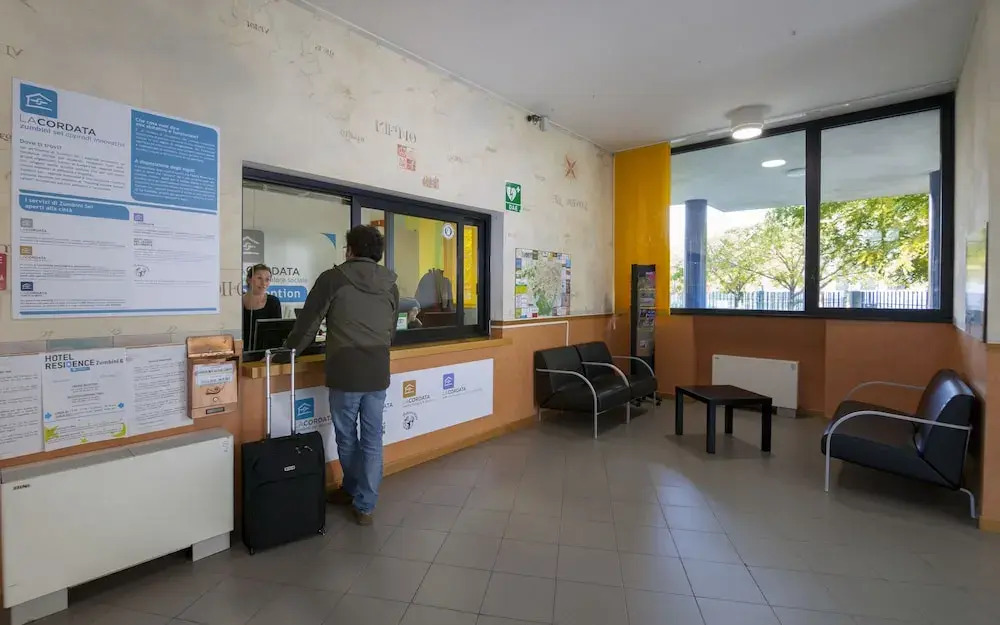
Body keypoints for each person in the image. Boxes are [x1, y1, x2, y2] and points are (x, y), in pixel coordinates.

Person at [285, 225, 399, 525]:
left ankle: (352, 490)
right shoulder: (390, 284)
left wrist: (288, 352)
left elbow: (308, 325)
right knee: (373, 440)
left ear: (350, 250)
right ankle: (365, 505)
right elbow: (391, 332)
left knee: (347, 437)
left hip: (346, 370)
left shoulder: (333, 278)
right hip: (378, 371)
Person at [242, 264, 282, 348]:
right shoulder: (238, 302)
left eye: (267, 279)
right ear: (249, 279)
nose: (263, 283)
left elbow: (277, 334)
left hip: (265, 352)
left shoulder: (273, 302)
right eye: (259, 278)